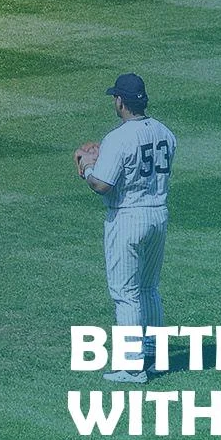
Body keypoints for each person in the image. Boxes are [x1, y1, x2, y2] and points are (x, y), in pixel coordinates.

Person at [76, 73, 176, 384]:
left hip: (127, 217)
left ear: (120, 101)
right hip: (158, 213)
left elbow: (103, 185)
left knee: (125, 293)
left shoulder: (118, 138)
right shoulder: (165, 132)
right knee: (148, 289)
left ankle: (132, 366)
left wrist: (86, 166)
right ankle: (156, 357)